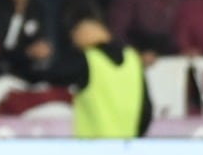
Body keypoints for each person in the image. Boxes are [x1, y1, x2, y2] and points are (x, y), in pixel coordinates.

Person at [55, 10, 151, 138]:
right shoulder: (132, 58)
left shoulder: (87, 60)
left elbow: (52, 75)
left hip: (91, 150)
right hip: (126, 148)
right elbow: (146, 111)